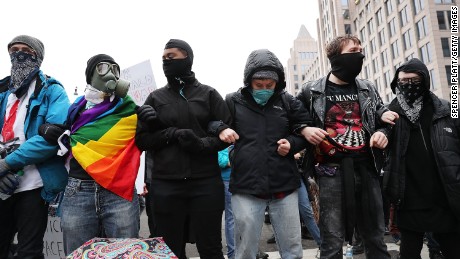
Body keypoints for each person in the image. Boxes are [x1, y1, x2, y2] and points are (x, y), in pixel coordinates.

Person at [297, 35, 396, 259]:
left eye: (361, 50)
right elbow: (292, 119)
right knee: (331, 240)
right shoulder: (311, 91)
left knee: (375, 236)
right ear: (336, 57)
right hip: (329, 172)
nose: (359, 55)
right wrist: (304, 129)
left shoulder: (368, 88)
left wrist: (382, 133)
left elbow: (382, 119)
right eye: (353, 51)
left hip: (367, 169)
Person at [135, 39, 231, 259]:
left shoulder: (209, 94)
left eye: (172, 57)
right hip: (166, 186)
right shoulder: (155, 98)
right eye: (163, 58)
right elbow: (142, 141)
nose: (166, 62)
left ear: (187, 58)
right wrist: (170, 133)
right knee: (171, 250)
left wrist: (201, 144)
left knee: (211, 248)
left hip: (205, 183)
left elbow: (227, 134)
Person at [40, 54, 141, 254]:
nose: (111, 73)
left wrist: (149, 121)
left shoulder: (129, 108)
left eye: (115, 69)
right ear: (91, 75)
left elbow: (145, 138)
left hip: (118, 189)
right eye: (103, 68)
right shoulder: (76, 109)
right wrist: (45, 129)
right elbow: (69, 133)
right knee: (78, 253)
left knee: (124, 253)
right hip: (78, 190)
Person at [216, 49, 310, 259]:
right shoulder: (232, 101)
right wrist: (221, 129)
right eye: (259, 85)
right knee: (246, 249)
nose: (264, 89)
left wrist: (292, 143)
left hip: (284, 184)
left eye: (270, 85)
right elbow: (215, 121)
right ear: (249, 82)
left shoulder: (287, 101)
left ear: (278, 83)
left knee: (292, 248)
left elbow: (305, 128)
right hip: (246, 185)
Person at [0, 35, 70, 259]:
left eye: (26, 50)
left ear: (38, 57)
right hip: (2, 185)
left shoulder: (53, 91)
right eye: (14, 50)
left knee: (29, 251)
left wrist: (7, 163)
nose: (18, 54)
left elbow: (54, 138)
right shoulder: (3, 92)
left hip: (34, 186)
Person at [384, 58, 460, 259]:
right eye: (403, 81)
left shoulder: (445, 109)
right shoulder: (390, 114)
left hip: (443, 194)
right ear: (396, 83)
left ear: (424, 81)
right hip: (409, 196)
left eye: (414, 80)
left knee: (453, 249)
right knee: (409, 252)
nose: (408, 85)